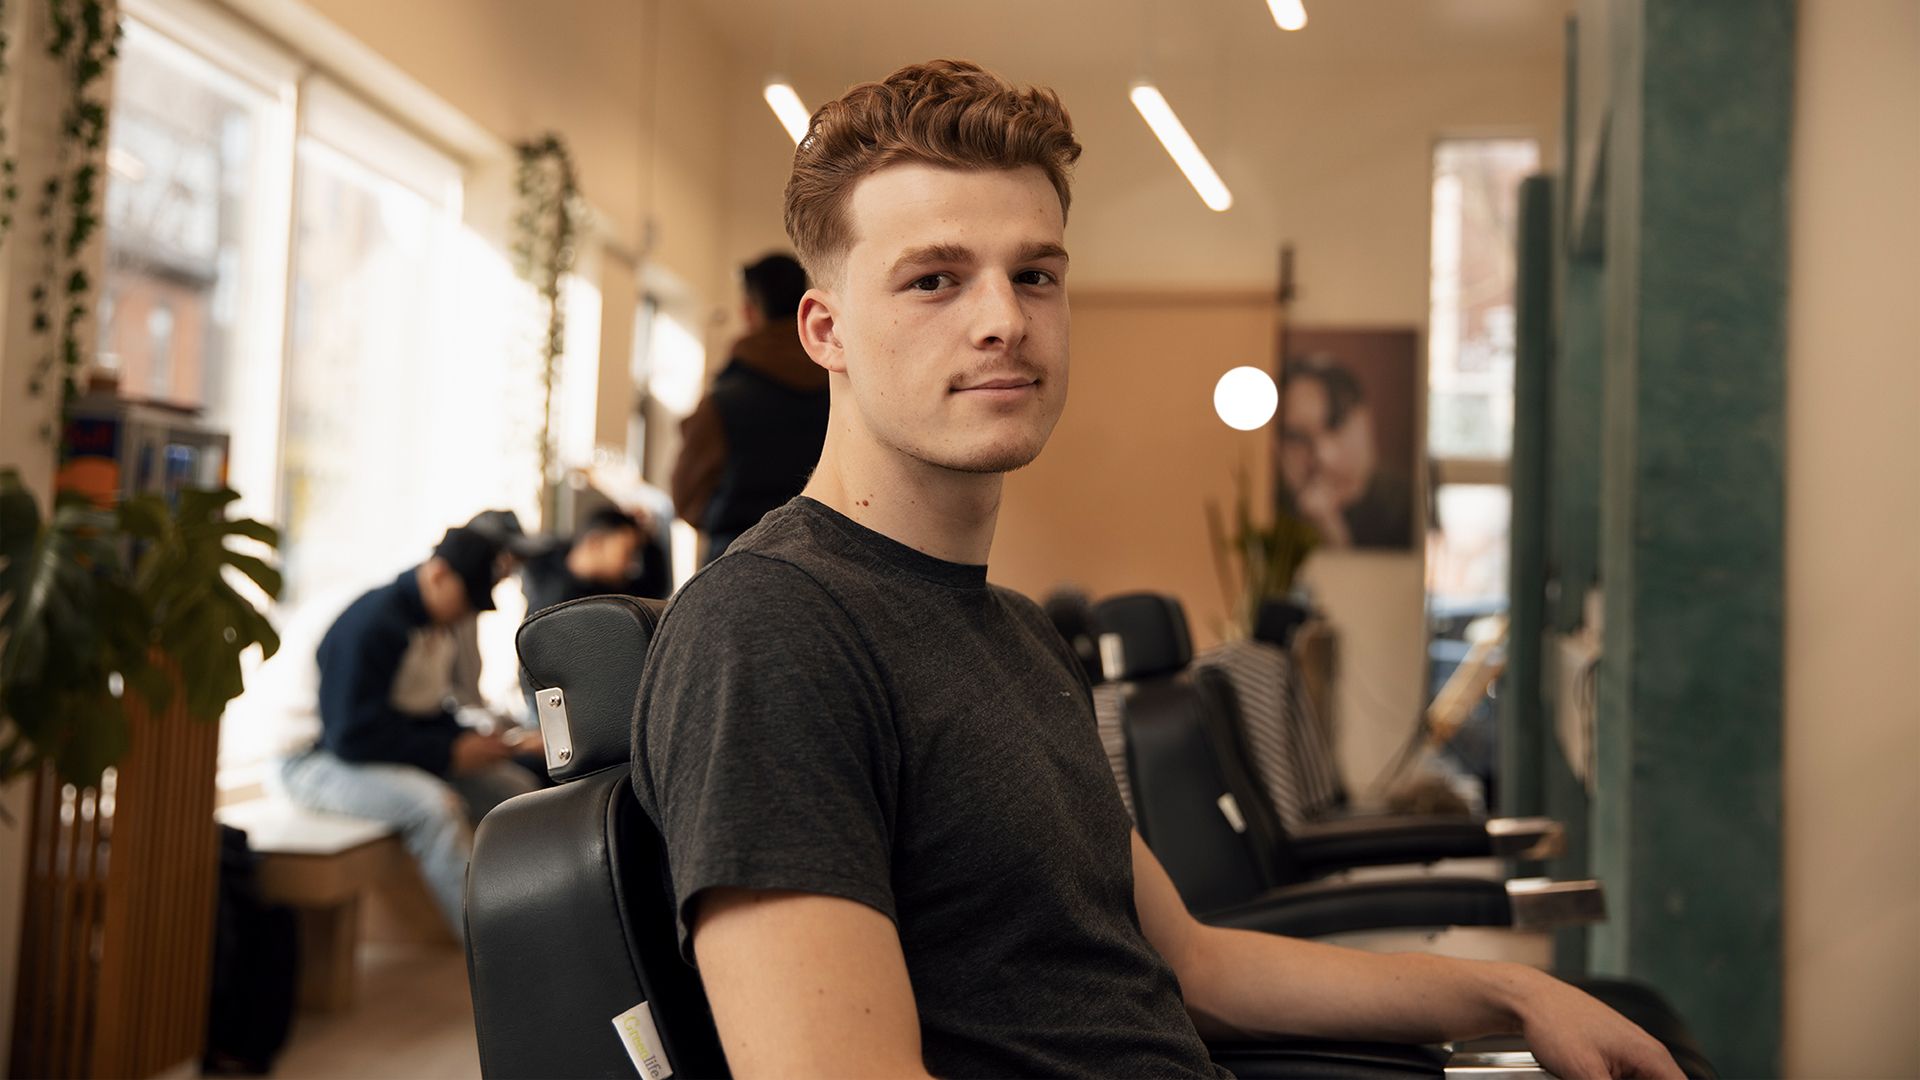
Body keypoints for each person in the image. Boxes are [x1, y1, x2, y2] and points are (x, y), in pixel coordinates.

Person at [633, 60, 1680, 1080]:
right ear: (826, 331)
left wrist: (1517, 996)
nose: (1003, 318)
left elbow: (1193, 965)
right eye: (935, 280)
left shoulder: (1016, 632)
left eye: (1035, 274)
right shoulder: (771, 632)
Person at [278, 526, 543, 941]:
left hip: (362, 751)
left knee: (515, 790)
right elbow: (349, 736)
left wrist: (476, 743)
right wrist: (449, 754)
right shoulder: (373, 623)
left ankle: (545, 918)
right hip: (309, 760)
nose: (468, 611)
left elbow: (423, 712)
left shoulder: (431, 624)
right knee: (432, 808)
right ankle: (493, 950)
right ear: (438, 574)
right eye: (468, 597)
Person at [670, 252, 829, 563]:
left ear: (749, 311)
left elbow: (687, 500)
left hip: (734, 562)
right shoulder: (843, 387)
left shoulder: (724, 399)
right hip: (826, 563)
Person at [1276, 355, 1414, 549]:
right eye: (1297, 437)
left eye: (1335, 424)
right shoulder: (1271, 508)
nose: (1323, 456)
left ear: (1365, 420)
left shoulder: (1408, 506)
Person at [519, 506, 649, 615]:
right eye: (627, 554)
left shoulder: (552, 552)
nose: (632, 566)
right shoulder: (562, 611)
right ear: (596, 542)